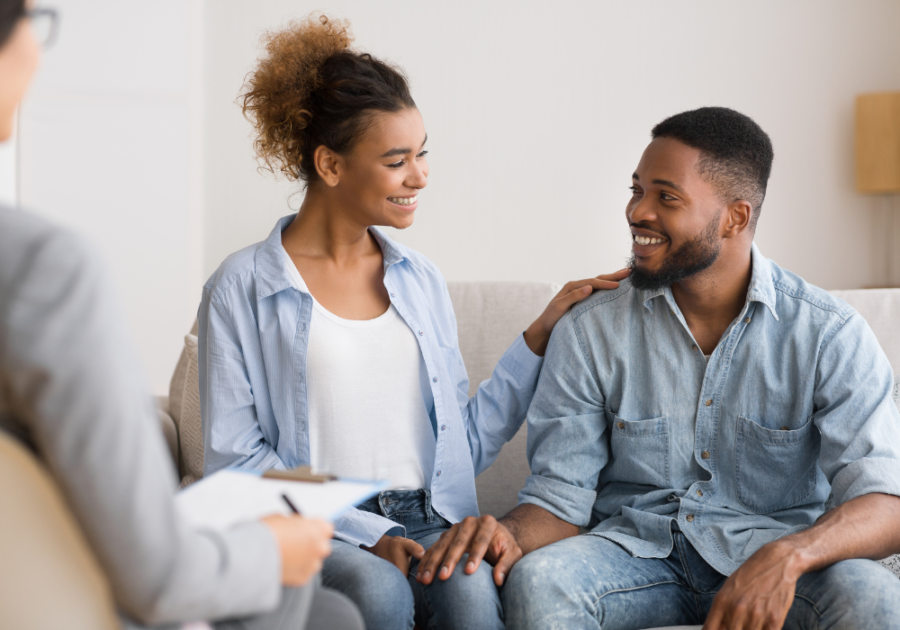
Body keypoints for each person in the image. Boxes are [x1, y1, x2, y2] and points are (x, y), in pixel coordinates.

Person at [199, 13, 627, 630]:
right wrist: (366, 532)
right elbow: (235, 461)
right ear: (330, 164)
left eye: (422, 154)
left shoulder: (418, 279)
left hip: (432, 516)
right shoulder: (242, 287)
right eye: (397, 160)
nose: (420, 177)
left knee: (472, 593)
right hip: (322, 528)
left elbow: (462, 444)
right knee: (377, 594)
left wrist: (538, 337)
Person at [416, 106, 900, 630]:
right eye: (636, 190)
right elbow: (560, 498)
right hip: (634, 555)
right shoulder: (589, 328)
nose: (637, 212)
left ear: (735, 217)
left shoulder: (828, 334)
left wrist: (792, 555)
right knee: (541, 579)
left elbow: (884, 499)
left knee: (868, 592)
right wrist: (505, 532)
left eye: (665, 197)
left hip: (776, 559)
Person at [0, 3, 362, 629]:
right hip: (83, 597)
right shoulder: (40, 271)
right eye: (33, 22)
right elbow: (160, 578)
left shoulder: (420, 283)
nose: (36, 46)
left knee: (332, 611)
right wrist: (274, 546)